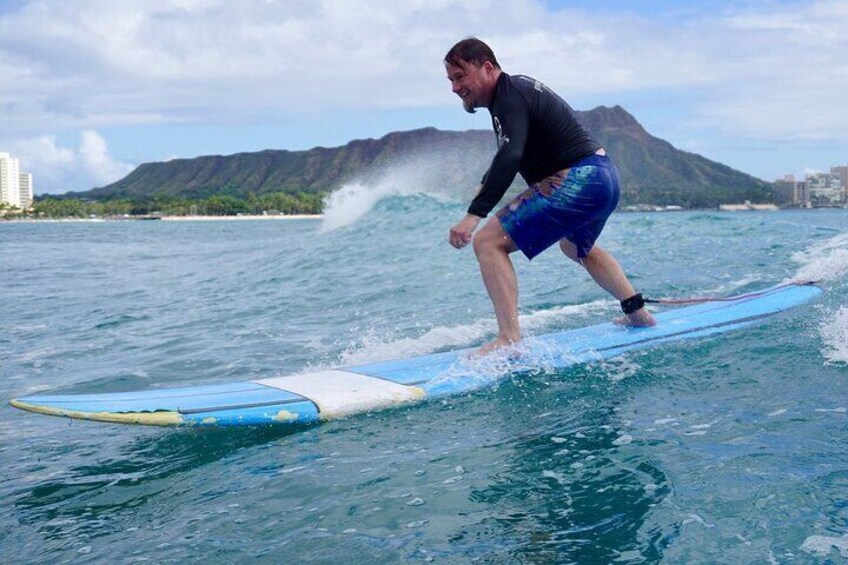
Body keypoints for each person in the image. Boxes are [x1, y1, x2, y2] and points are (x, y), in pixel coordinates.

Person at [444, 37, 655, 355]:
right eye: (450, 80)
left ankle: (510, 339)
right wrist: (486, 184)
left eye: (460, 77)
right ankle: (638, 313)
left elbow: (512, 154)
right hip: (603, 176)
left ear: (487, 68)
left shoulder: (508, 95)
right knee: (575, 247)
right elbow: (511, 150)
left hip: (580, 177)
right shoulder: (514, 93)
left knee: (488, 242)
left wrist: (474, 215)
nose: (455, 88)